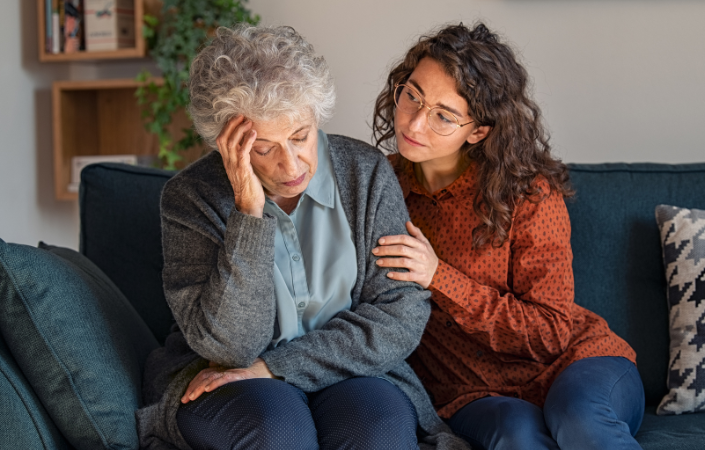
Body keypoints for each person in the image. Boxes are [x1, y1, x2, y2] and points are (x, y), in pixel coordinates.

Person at [135, 24, 469, 450]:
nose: (291, 166)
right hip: (223, 376)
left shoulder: (364, 174)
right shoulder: (190, 199)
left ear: (316, 116)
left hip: (354, 370)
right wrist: (248, 215)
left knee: (377, 432)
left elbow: (397, 317)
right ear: (226, 144)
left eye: (300, 136)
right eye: (263, 148)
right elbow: (231, 348)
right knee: (280, 433)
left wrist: (276, 367)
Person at [372, 23, 645, 450]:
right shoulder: (377, 186)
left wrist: (438, 276)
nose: (416, 121)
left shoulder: (528, 193)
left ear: (477, 131)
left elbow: (552, 331)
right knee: (517, 436)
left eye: (444, 115)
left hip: (576, 364)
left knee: (580, 422)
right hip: (469, 392)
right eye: (412, 95)